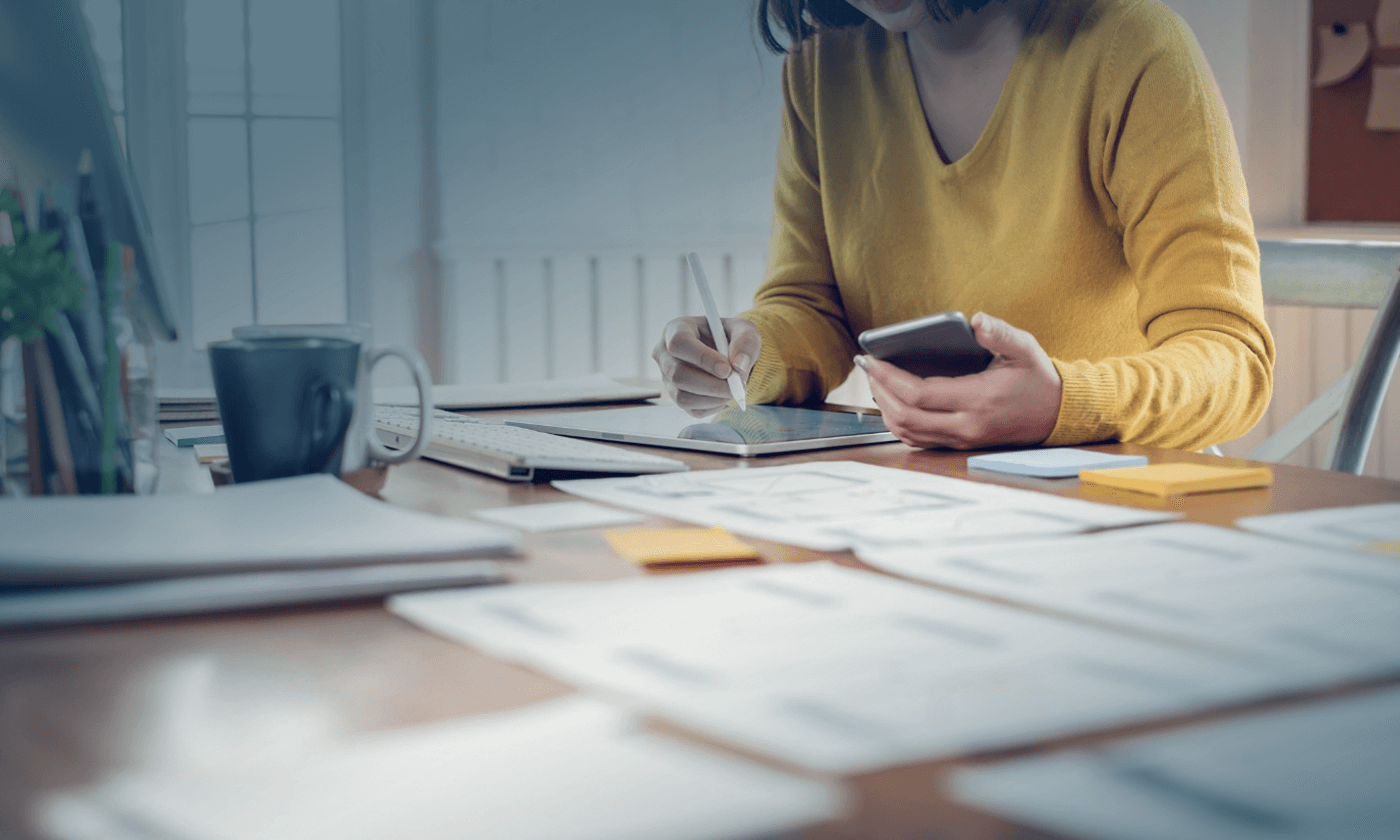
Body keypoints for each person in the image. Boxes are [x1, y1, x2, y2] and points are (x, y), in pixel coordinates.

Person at [652, 0, 1274, 452]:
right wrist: (746, 351)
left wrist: (1062, 403)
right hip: (928, 492)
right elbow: (813, 305)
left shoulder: (1134, 47)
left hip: (1114, 492)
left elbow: (1233, 360)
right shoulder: (821, 67)